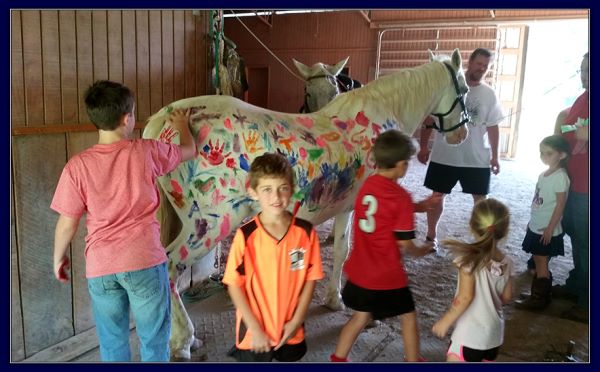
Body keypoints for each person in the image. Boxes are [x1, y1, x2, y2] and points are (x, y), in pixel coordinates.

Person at [51, 80, 196, 362]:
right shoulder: (147, 151)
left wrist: (58, 257)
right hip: (144, 263)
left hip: (101, 268)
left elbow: (67, 223)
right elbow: (189, 150)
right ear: (127, 118)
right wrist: (181, 126)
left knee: (112, 345)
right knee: (154, 342)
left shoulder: (77, 166)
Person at [330, 130, 435, 363]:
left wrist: (418, 206)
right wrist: (423, 249)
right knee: (408, 316)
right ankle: (413, 360)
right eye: (406, 163)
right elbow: (406, 244)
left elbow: (382, 210)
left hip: (360, 271)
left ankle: (338, 359)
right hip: (387, 275)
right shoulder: (401, 197)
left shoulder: (367, 185)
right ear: (400, 166)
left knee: (360, 317)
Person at [222, 153, 324, 362]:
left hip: (291, 329)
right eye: (267, 189)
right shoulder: (246, 236)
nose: (276, 197)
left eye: (283, 188)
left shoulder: (305, 233)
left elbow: (310, 279)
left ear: (292, 189)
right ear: (253, 192)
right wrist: (255, 328)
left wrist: (297, 320)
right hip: (254, 334)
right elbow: (234, 285)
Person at [418, 48, 504, 246]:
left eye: (485, 65)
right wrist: (423, 146)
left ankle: (481, 241)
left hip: (476, 158)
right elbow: (429, 119)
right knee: (436, 197)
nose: (481, 68)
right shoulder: (447, 86)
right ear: (469, 62)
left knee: (481, 200)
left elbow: (493, 127)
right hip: (444, 155)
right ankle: (431, 236)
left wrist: (495, 156)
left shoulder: (489, 94)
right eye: (478, 63)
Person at [432, 198, 514, 362]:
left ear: (472, 226)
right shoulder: (508, 262)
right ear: (504, 231)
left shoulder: (468, 261)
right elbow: (507, 297)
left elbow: (465, 297)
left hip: (469, 336)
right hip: (494, 336)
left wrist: (446, 321)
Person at [551, 52, 589, 323]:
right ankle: (577, 285)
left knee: (588, 243)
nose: (585, 74)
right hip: (574, 181)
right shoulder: (582, 98)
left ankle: (587, 302)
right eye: (583, 69)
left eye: (589, 69)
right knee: (576, 235)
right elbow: (568, 129)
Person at [515, 135, 570, 311]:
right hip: (537, 225)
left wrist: (550, 228)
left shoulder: (561, 177)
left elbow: (560, 205)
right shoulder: (543, 174)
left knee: (541, 261)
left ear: (561, 155)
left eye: (549, 153)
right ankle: (540, 293)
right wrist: (532, 221)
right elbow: (539, 200)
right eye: (542, 153)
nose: (544, 156)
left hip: (547, 228)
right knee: (539, 259)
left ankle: (539, 299)